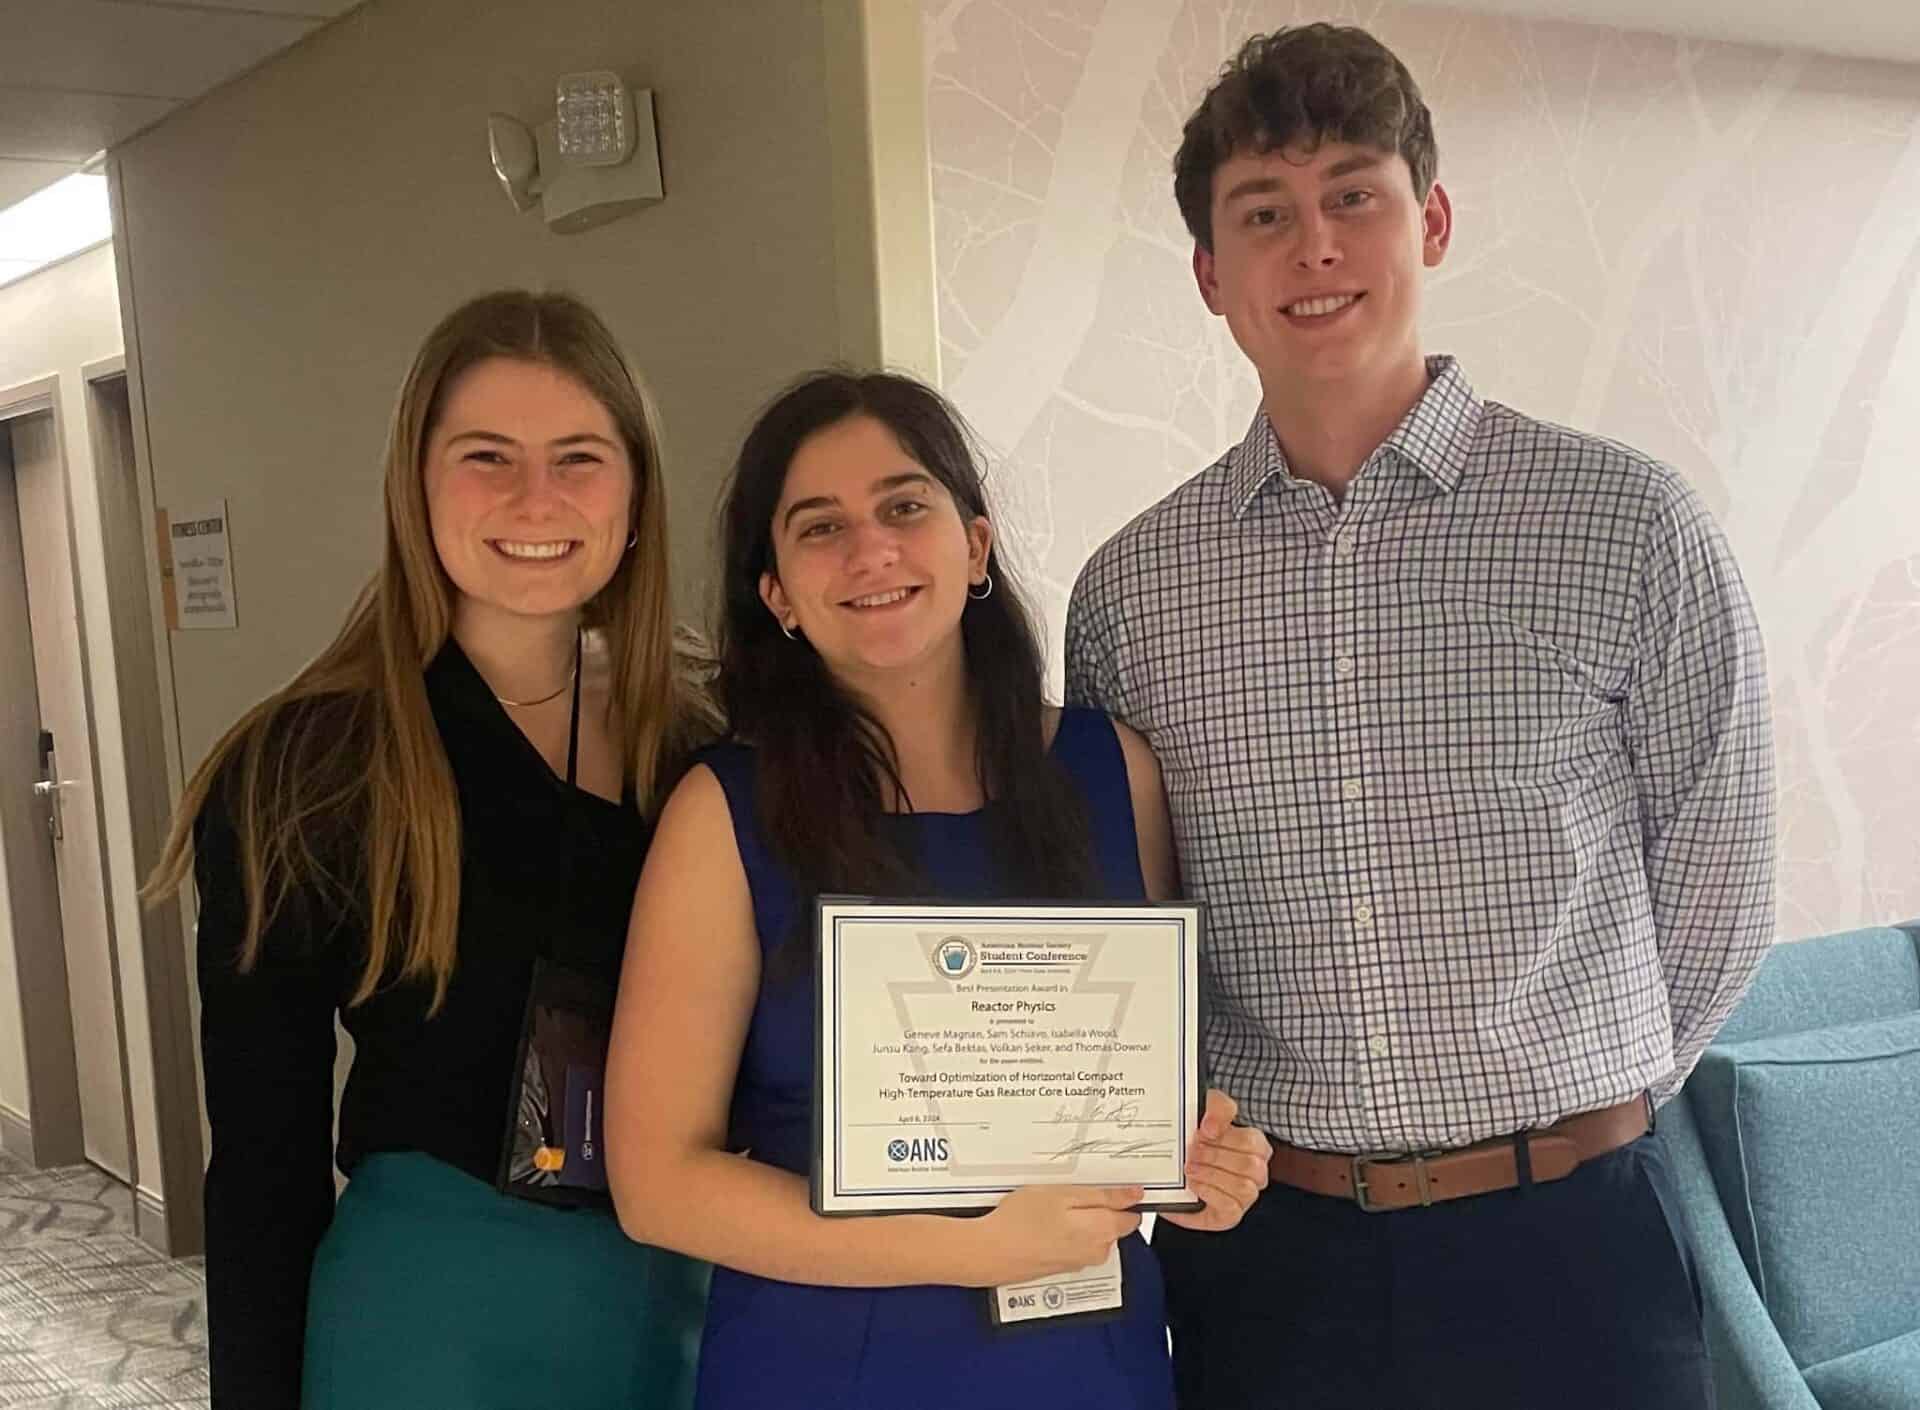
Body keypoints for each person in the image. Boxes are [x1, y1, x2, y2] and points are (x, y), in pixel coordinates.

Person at [1065, 24, 1776, 1410]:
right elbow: (1136, 919)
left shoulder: (1626, 528)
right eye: (1263, 215)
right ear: (1213, 277)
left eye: (1353, 196)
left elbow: (1721, 884)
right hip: (1275, 1264)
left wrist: (1575, 1104)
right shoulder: (1131, 594)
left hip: (1571, 1241)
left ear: (1430, 220)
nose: (1313, 245)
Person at [604, 370, 1271, 1410]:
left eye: (904, 506)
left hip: (1086, 1363)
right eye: (818, 527)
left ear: (975, 544)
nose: (870, 550)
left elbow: (1144, 1102)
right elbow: (657, 1186)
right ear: (775, 591)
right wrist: (966, 1249)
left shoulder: (1115, 771)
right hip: (826, 1369)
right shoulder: (721, 813)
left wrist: (1204, 1171)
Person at [146, 290, 713, 1408]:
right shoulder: (308, 769)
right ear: (416, 484)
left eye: (580, 458)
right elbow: (264, 1167)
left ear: (637, 491)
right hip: (442, 1327)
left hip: (700, 1299)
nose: (536, 498)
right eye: (486, 456)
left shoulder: (710, 741)